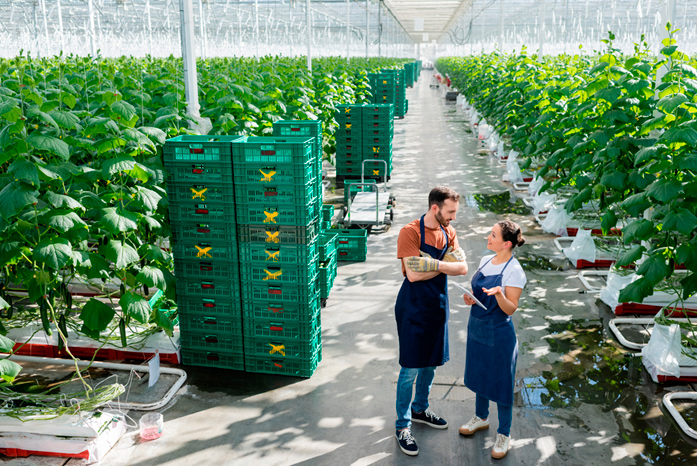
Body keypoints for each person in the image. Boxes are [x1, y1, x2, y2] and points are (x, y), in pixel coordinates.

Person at [393, 186, 469, 456]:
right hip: (412, 307)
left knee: (431, 364)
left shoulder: (449, 232)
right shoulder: (410, 232)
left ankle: (420, 409)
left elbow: (462, 267)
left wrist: (430, 263)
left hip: (437, 306)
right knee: (410, 368)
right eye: (450, 212)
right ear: (435, 208)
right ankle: (402, 425)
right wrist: (442, 265)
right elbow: (412, 276)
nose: (453, 217)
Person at [459, 220, 527, 460]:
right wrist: (470, 298)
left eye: (493, 235)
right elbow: (477, 294)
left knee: (501, 384)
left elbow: (510, 309)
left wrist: (499, 294)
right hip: (477, 328)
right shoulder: (485, 261)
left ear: (506, 243)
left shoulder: (514, 271)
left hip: (499, 334)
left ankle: (504, 434)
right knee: (479, 375)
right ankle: (481, 417)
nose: (488, 237)